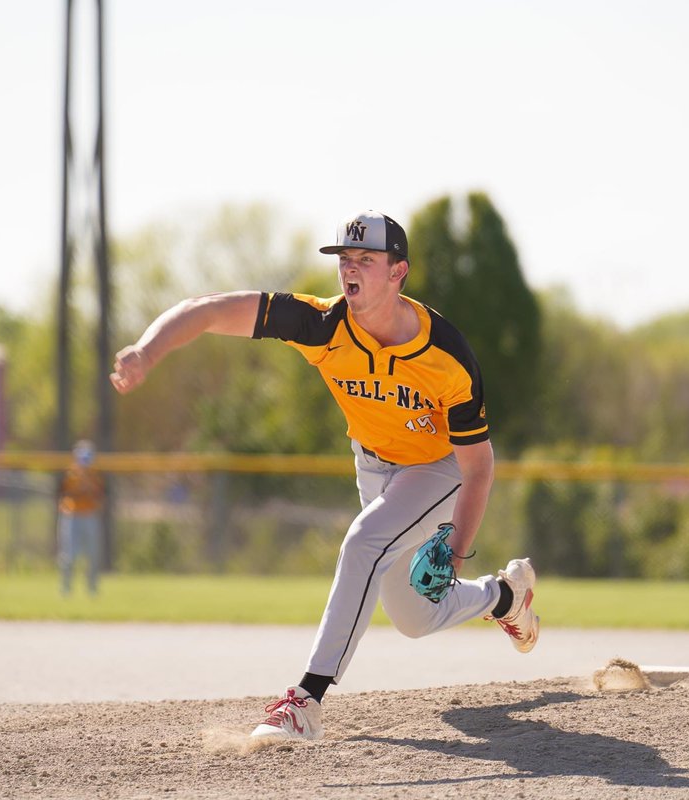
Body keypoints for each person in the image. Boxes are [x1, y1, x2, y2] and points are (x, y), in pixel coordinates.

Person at [110, 210, 539, 741]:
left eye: (365, 259)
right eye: (344, 259)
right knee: (413, 617)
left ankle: (305, 701)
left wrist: (454, 550)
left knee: (362, 543)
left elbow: (478, 466)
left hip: (437, 469)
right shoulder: (321, 324)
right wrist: (148, 350)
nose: (350, 269)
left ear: (398, 272)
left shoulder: (446, 354)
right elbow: (206, 311)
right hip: (374, 467)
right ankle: (504, 596)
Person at [56, 439, 105, 595]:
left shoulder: (95, 474)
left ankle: (92, 589)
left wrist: (88, 487)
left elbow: (101, 494)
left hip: (89, 515)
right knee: (68, 555)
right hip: (71, 515)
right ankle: (66, 589)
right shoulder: (69, 473)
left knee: (92, 555)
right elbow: (60, 492)